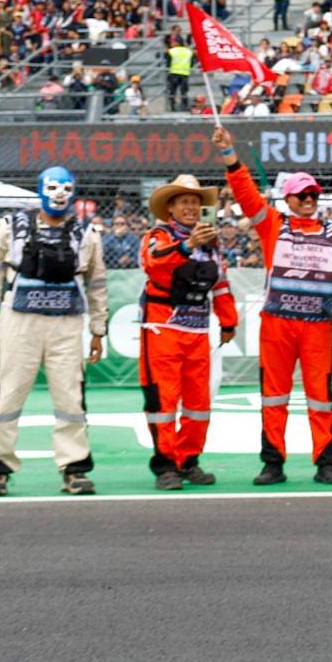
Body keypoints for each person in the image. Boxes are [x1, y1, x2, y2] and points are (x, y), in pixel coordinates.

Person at [216, 125, 332, 485]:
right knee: (273, 395)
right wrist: (229, 156)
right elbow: (246, 194)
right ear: (287, 199)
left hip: (316, 325)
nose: (309, 199)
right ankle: (273, 463)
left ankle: (326, 463)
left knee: (320, 396)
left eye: (313, 193)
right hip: (277, 324)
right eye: (302, 195)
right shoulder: (273, 224)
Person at [0, 168, 108, 496]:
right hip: (19, 322)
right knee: (7, 394)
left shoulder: (87, 233)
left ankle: (74, 468)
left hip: (67, 325)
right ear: (41, 189)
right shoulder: (10, 226)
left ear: (74, 192)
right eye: (53, 187)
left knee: (70, 396)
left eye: (67, 187)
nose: (59, 193)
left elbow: (97, 282)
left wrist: (99, 329)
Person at [138, 173, 240, 490]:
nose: (191, 207)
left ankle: (189, 460)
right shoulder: (158, 235)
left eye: (195, 202)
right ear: (170, 207)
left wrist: (228, 321)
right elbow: (153, 264)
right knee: (164, 401)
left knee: (199, 402)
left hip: (198, 333)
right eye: (184, 201)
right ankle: (166, 465)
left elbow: (220, 285)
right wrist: (187, 245)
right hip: (161, 329)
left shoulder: (212, 244)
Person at [166, 38, 194, 106]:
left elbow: (168, 64)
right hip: (184, 74)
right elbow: (191, 64)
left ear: (177, 43)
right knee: (184, 91)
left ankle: (172, 106)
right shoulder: (189, 51)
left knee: (173, 91)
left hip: (174, 73)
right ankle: (184, 105)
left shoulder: (172, 51)